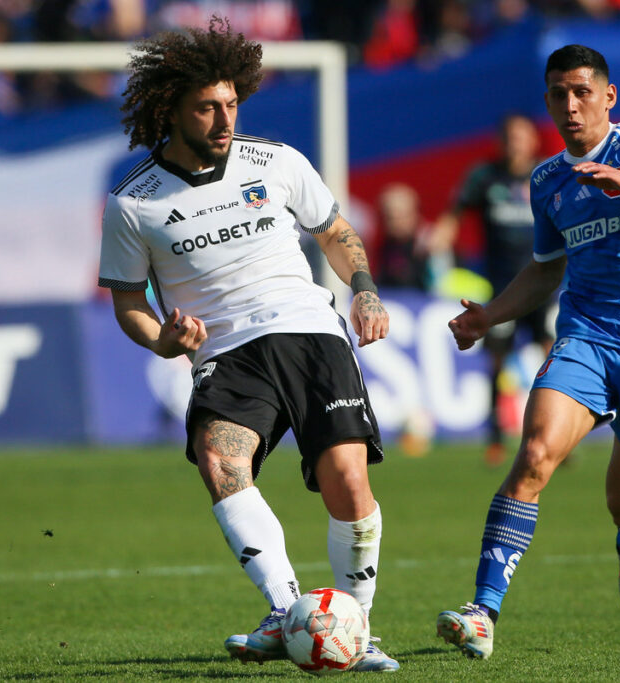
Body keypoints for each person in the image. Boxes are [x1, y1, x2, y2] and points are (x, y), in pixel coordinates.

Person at [97, 18, 399, 672]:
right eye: (206, 107)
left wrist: (366, 290)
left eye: (231, 104)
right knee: (218, 460)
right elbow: (127, 303)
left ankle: (356, 625)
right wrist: (164, 339)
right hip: (227, 353)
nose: (223, 118)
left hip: (310, 331)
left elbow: (335, 232)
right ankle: (285, 610)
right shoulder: (133, 205)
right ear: (169, 109)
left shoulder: (278, 161)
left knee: (346, 477)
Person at [435, 44, 620, 659]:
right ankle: (482, 612)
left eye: (582, 92)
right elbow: (545, 271)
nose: (571, 105)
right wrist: (490, 315)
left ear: (608, 97)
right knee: (534, 454)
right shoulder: (547, 182)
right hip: (585, 336)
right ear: (547, 102)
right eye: (559, 94)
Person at [434, 112, 555, 465]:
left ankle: (553, 433)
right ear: (502, 141)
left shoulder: (546, 177)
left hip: (545, 285)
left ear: (533, 140)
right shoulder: (485, 177)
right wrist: (442, 235)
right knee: (497, 361)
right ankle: (496, 436)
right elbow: (454, 212)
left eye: (523, 136)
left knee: (553, 356)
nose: (516, 143)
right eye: (510, 136)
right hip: (503, 290)